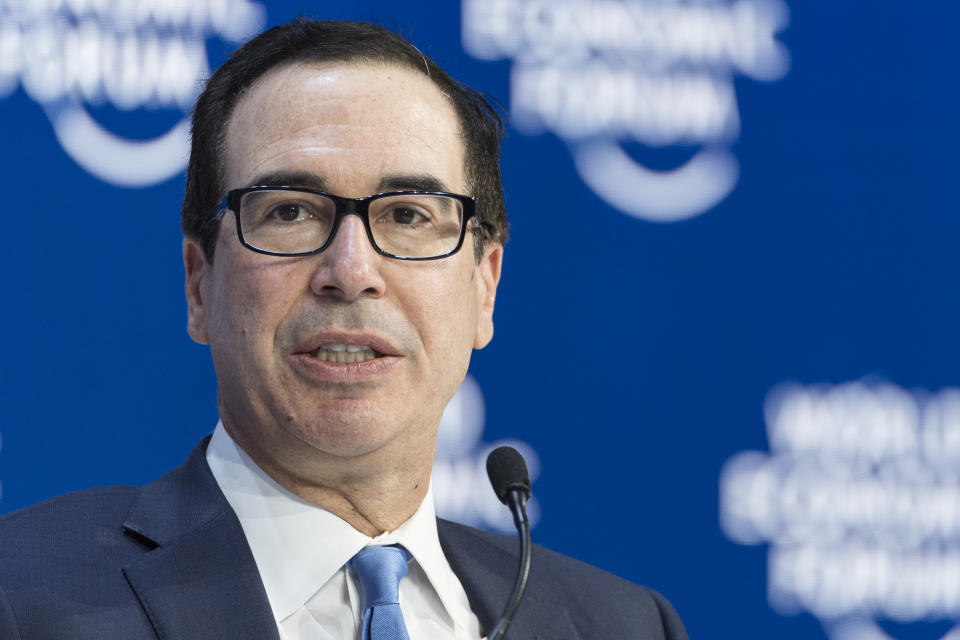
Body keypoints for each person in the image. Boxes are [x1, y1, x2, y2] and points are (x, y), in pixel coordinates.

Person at [0, 19, 688, 640]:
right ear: (199, 282)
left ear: (486, 286)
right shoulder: (23, 597)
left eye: (409, 215)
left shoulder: (623, 625)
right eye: (291, 212)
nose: (351, 270)